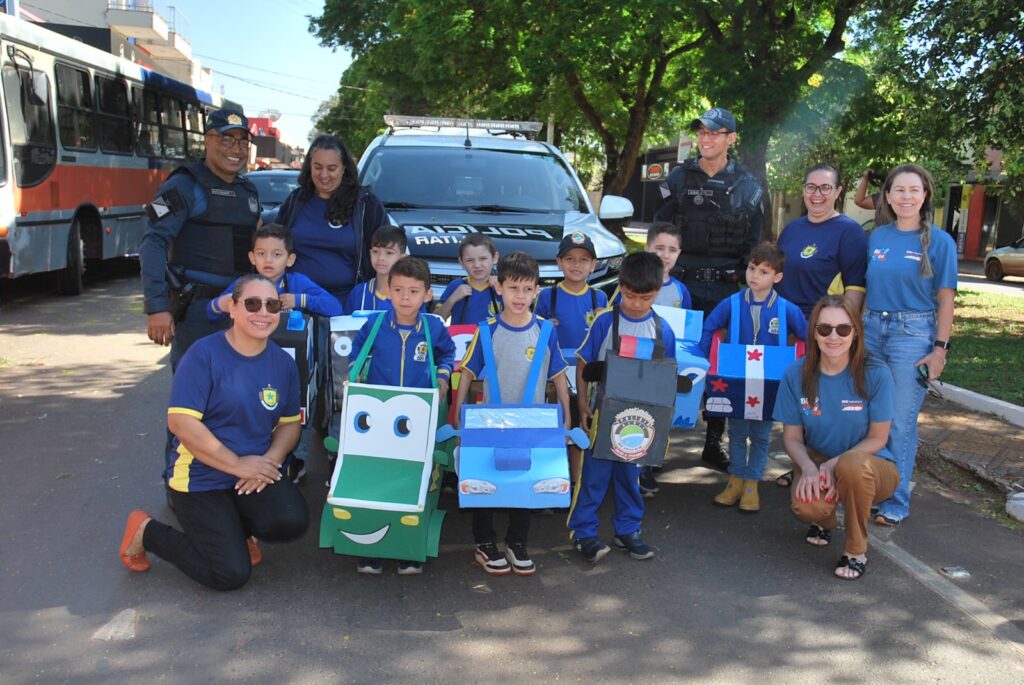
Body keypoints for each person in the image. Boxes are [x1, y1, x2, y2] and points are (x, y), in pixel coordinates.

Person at [118, 275, 310, 590]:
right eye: (252, 303)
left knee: (291, 519)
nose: (263, 312)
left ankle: (237, 533)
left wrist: (269, 462)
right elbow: (181, 423)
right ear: (232, 308)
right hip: (200, 478)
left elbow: (289, 424)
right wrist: (237, 464)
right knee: (230, 574)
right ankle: (146, 531)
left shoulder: (282, 363)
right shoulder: (203, 354)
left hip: (250, 473)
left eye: (272, 305)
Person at [654, 107, 767, 472]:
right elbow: (659, 234)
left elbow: (753, 247)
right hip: (680, 290)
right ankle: (653, 449)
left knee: (720, 370)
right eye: (702, 132)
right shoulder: (677, 179)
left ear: (731, 138)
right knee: (667, 364)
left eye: (715, 133)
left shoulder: (750, 188)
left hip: (725, 293)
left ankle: (713, 442)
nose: (706, 138)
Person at [455, 252, 571, 576]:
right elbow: (466, 372)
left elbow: (559, 374)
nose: (520, 296)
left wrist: (567, 415)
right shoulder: (487, 330)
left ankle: (518, 542)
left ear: (536, 291)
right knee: (486, 481)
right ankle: (485, 542)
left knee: (526, 482)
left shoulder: (545, 331)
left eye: (527, 289)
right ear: (499, 288)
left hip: (532, 425)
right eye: (513, 288)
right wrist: (458, 414)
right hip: (490, 423)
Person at [774, 296, 898, 580]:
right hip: (816, 460)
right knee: (807, 507)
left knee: (852, 464)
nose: (833, 336)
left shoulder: (876, 374)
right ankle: (824, 521)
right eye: (824, 328)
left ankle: (856, 551)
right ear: (813, 332)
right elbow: (792, 438)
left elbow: (879, 437)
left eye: (843, 329)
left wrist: (832, 465)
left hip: (872, 466)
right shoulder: (796, 374)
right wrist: (808, 468)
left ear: (855, 333)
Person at [347, 256, 457, 575]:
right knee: (376, 480)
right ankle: (372, 550)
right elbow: (357, 355)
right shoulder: (376, 324)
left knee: (414, 482)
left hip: (418, 419)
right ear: (388, 292)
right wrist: (355, 380)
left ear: (427, 295)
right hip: (379, 420)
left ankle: (408, 549)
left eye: (413, 291)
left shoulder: (434, 327)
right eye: (398, 290)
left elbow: (448, 355)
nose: (405, 297)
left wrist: (443, 377)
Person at [864, 164, 957, 527]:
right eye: (898, 190)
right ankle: (872, 489)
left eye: (913, 190)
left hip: (912, 334)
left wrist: (939, 350)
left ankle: (895, 501)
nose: (906, 197)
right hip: (872, 329)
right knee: (871, 417)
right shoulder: (878, 236)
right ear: (887, 196)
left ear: (925, 196)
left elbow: (946, 300)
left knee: (900, 422)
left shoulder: (940, 242)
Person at [568, 252, 676, 564]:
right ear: (621, 286)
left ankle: (628, 529)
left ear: (657, 292)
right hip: (603, 415)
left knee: (630, 477)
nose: (637, 303)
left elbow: (665, 377)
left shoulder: (661, 329)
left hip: (641, 421)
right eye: (630, 295)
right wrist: (582, 406)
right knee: (593, 476)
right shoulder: (605, 321)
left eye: (645, 297)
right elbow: (584, 362)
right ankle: (584, 532)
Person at [138, 109, 261, 370]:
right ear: (208, 140)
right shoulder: (183, 185)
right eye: (226, 139)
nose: (235, 149)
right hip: (197, 313)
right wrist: (156, 307)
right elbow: (153, 243)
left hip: (241, 310)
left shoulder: (248, 191)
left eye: (242, 141)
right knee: (194, 395)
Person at [698, 242, 807, 512]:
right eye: (752, 268)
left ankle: (752, 483)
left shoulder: (787, 310)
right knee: (736, 433)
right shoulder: (731, 303)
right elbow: (709, 328)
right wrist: (702, 364)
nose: (754, 275)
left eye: (764, 271)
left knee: (760, 435)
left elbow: (808, 337)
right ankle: (735, 479)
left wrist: (804, 371)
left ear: (777, 277)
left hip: (770, 382)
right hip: (736, 379)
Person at [612, 222, 692, 496]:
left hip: (659, 366)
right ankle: (621, 465)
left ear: (679, 254)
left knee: (653, 417)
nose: (666, 255)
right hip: (628, 365)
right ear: (647, 248)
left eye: (672, 250)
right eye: (660, 248)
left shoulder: (681, 292)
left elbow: (687, 333)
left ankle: (645, 469)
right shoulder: (627, 285)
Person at [273, 134, 388, 303]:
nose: (324, 175)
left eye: (332, 168)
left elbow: (389, 251)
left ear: (344, 168)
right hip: (294, 302)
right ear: (309, 167)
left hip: (348, 304)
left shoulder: (366, 204)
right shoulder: (296, 200)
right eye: (318, 167)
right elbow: (275, 243)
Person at [534, 232, 608, 487]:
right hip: (555, 374)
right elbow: (533, 334)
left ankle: (575, 484)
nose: (577, 265)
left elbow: (603, 341)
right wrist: (544, 326)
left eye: (584, 260)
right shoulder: (547, 296)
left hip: (585, 374)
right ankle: (549, 479)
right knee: (553, 426)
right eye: (570, 259)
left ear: (593, 264)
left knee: (579, 424)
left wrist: (602, 320)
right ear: (559, 262)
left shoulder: (599, 298)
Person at [776, 164, 868, 318]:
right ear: (804, 189)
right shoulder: (791, 229)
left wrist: (841, 328)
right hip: (779, 322)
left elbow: (856, 288)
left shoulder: (850, 232)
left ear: (838, 191)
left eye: (825, 187)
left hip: (818, 326)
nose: (817, 194)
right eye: (811, 187)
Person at [206, 223, 343, 321]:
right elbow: (210, 313)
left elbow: (335, 308)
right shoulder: (244, 284)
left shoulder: (297, 282)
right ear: (252, 258)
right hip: (251, 351)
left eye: (276, 254)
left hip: (291, 350)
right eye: (261, 254)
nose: (268, 260)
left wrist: (300, 300)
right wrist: (221, 304)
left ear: (290, 259)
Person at [434, 234, 502, 324]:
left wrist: (503, 288)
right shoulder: (456, 286)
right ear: (461, 262)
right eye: (470, 260)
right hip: (463, 338)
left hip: (496, 338)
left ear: (495, 257)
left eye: (483, 258)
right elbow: (435, 322)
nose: (477, 265)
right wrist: (451, 300)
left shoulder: (503, 286)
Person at [345, 225, 409, 313]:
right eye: (375, 251)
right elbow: (347, 324)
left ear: (402, 258)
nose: (381, 258)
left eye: (389, 253)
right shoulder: (359, 292)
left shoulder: (411, 294)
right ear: (370, 253)